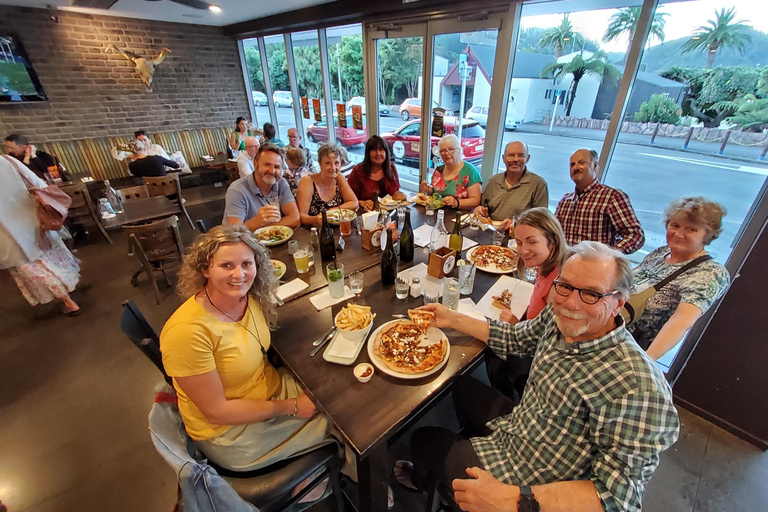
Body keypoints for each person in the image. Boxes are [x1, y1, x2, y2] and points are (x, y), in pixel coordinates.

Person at [400, 241, 679, 512]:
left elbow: (618, 500)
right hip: (523, 424)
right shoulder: (558, 316)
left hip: (534, 478)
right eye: (566, 286)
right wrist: (451, 318)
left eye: (591, 294)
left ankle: (431, 483)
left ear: (618, 303)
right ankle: (462, 477)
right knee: (459, 386)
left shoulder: (639, 387)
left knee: (422, 439)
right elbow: (514, 338)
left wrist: (514, 501)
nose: (571, 303)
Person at [160, 224, 330, 471]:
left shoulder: (248, 298)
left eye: (246, 264)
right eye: (226, 265)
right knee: (342, 424)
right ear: (206, 269)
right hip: (230, 432)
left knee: (338, 400)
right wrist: (292, 406)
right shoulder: (186, 332)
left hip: (268, 389)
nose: (239, 274)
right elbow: (217, 412)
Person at [631, 197, 730, 360]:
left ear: (707, 235)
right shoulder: (660, 253)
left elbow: (681, 321)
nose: (679, 234)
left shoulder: (710, 272)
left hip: (632, 348)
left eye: (691, 229)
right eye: (675, 225)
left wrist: (645, 361)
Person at [487, 207, 567, 403]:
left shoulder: (560, 285)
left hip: (536, 363)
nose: (523, 251)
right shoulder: (546, 265)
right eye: (519, 242)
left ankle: (510, 400)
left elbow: (545, 343)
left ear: (553, 241)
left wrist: (516, 324)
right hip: (530, 333)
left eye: (532, 242)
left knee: (491, 348)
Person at [0, 154, 81, 316]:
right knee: (49, 254)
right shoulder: (6, 161)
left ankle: (68, 302)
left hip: (5, 233)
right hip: (32, 217)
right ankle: (68, 287)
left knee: (28, 265)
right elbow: (38, 183)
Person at [555, 148, 644, 254]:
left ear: (595, 166)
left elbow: (636, 235)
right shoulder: (566, 200)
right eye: (572, 164)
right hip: (565, 262)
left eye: (581, 163)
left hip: (594, 265)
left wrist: (610, 255)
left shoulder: (611, 197)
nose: (576, 167)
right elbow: (552, 232)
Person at [473, 141, 548, 232]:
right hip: (492, 232)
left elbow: (541, 220)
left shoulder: (538, 184)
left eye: (520, 155)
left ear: (527, 158)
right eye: (511, 155)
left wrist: (517, 223)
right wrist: (481, 211)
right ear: (503, 158)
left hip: (520, 236)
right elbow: (485, 209)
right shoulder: (493, 181)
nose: (515, 159)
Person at [224, 144, 300, 231]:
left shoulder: (281, 183)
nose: (272, 171)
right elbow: (233, 232)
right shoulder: (237, 191)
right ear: (255, 164)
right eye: (267, 165)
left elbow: (295, 218)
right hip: (246, 243)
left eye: (277, 167)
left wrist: (267, 230)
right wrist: (256, 222)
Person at [296, 142, 358, 227]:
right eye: (328, 163)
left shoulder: (338, 177)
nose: (333, 168)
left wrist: (333, 210)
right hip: (315, 232)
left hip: (338, 229)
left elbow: (354, 202)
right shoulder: (308, 181)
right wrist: (315, 219)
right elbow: (301, 216)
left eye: (336, 163)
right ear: (320, 164)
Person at [419, 134, 481, 210]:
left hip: (460, 215)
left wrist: (456, 203)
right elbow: (436, 194)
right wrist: (429, 190)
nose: (447, 153)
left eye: (451, 149)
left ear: (459, 150)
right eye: (443, 150)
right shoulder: (439, 170)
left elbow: (476, 200)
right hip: (439, 213)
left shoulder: (470, 171)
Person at [347, 135, 407, 211]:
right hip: (366, 215)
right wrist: (361, 202)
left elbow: (396, 193)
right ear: (368, 153)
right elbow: (348, 199)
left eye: (381, 150)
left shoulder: (391, 168)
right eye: (374, 150)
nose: (378, 153)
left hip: (391, 214)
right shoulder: (358, 171)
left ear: (386, 152)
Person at [4, 134, 72, 183]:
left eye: (11, 148)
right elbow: (23, 174)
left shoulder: (42, 155)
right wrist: (27, 158)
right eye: (7, 147)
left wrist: (34, 157)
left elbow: (50, 171)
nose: (9, 150)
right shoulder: (10, 159)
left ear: (24, 147)